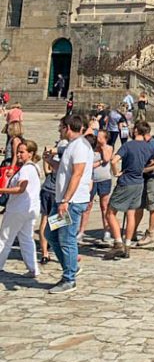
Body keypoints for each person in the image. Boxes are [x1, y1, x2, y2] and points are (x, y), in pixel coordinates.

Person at [47, 114, 94, 294]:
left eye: (61, 127)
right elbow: (66, 170)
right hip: (63, 200)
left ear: (67, 127)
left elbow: (77, 174)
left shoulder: (80, 147)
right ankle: (72, 266)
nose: (59, 130)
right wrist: (50, 162)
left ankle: (69, 278)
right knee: (50, 234)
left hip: (71, 203)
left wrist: (66, 200)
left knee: (66, 239)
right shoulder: (71, 146)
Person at [103, 121, 154, 260]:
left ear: (136, 131)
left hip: (126, 182)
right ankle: (127, 245)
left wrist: (116, 172)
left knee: (110, 212)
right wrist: (144, 170)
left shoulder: (128, 145)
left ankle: (118, 242)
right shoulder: (149, 147)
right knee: (131, 214)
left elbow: (113, 161)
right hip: (139, 183)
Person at [0, 140, 41, 279]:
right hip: (31, 209)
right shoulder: (35, 167)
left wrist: (2, 190)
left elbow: (21, 188)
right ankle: (33, 268)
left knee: (5, 238)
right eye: (18, 151)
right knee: (26, 239)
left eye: (22, 152)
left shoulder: (25, 169)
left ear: (30, 153)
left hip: (18, 209)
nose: (18, 154)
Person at [38, 120, 69, 266]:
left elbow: (47, 169)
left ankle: (44, 252)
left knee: (46, 220)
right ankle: (63, 253)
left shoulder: (57, 146)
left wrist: (48, 161)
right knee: (59, 223)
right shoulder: (66, 146)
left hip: (48, 186)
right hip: (57, 191)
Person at [79, 130, 113, 243]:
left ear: (105, 138)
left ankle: (107, 231)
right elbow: (88, 165)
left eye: (100, 137)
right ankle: (81, 231)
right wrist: (99, 162)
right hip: (91, 180)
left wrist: (102, 147)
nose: (97, 138)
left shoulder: (108, 148)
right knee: (88, 206)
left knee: (104, 206)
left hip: (104, 179)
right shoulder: (91, 148)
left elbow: (107, 159)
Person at [134, 124, 154, 247]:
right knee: (138, 205)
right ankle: (132, 231)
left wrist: (144, 169)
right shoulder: (143, 143)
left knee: (152, 205)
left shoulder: (153, 144)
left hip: (153, 177)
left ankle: (150, 233)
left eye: (135, 131)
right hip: (143, 178)